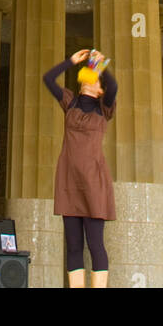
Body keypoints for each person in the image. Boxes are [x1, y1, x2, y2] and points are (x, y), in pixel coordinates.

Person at [42, 48, 117, 288]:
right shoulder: (70, 101)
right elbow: (48, 79)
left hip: (94, 182)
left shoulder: (104, 108)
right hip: (69, 181)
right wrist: (70, 61)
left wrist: (99, 64)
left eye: (94, 80)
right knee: (73, 246)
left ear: (99, 89)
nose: (89, 81)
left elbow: (113, 86)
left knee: (95, 244)